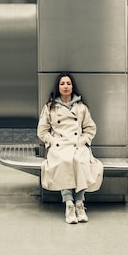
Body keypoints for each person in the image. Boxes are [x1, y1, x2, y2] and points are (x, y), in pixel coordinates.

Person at [37, 72, 103, 224]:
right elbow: (42, 131)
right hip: (59, 144)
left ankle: (79, 203)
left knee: (79, 161)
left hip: (77, 144)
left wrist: (84, 141)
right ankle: (69, 204)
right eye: (62, 84)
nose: (65, 86)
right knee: (64, 161)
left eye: (68, 83)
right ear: (58, 87)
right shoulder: (49, 107)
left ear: (72, 86)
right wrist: (52, 142)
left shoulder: (81, 107)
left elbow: (90, 128)